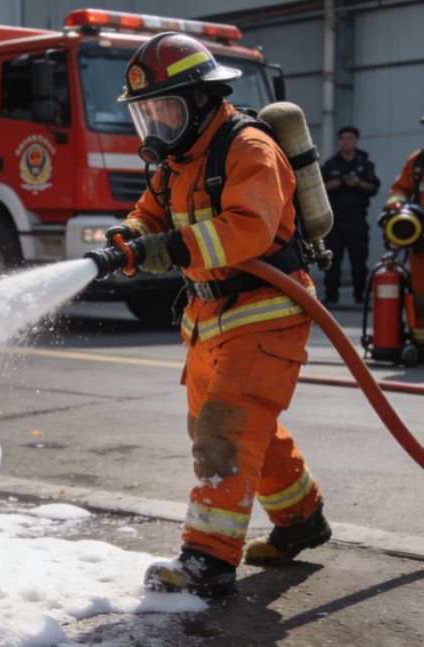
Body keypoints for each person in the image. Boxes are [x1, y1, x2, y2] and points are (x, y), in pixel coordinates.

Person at [105, 32, 331, 596]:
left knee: (224, 433)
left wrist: (170, 249)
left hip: (266, 312)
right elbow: (151, 212)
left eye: (165, 108)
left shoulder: (249, 149)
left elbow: (249, 228)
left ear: (201, 98)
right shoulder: (179, 159)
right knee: (239, 425)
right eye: (147, 113)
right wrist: (129, 236)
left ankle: (208, 560)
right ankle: (301, 518)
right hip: (210, 316)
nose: (157, 123)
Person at [320, 126, 380, 304]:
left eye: (350, 138)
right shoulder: (330, 164)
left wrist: (358, 183)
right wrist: (334, 184)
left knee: (359, 259)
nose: (346, 142)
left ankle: (360, 296)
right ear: (340, 140)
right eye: (343, 138)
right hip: (335, 219)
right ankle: (331, 297)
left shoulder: (365, 164)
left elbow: (374, 187)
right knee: (332, 260)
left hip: (357, 218)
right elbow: (319, 187)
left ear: (356, 140)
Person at [382, 130, 424, 345]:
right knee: (420, 295)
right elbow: (399, 191)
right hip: (421, 245)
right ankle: (421, 343)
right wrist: (397, 207)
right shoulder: (418, 162)